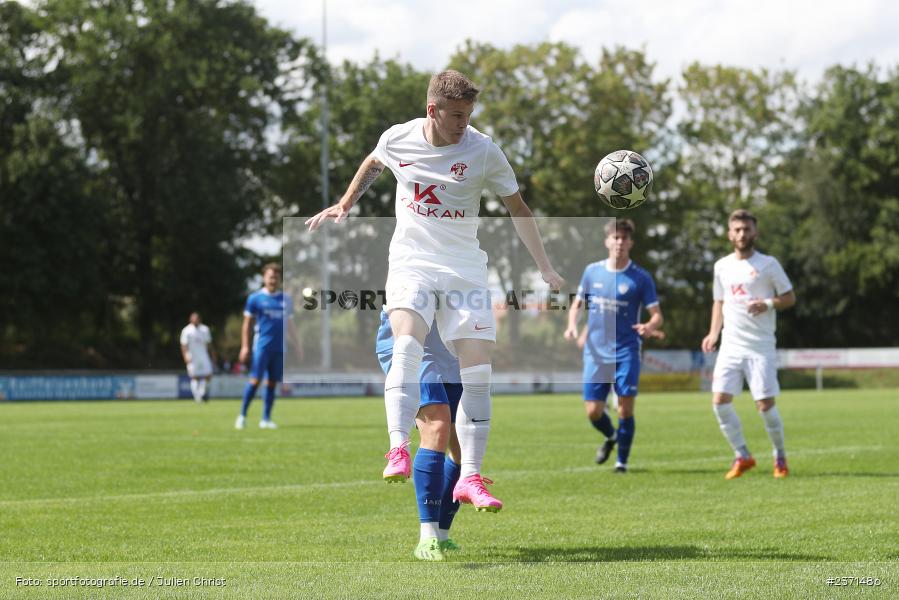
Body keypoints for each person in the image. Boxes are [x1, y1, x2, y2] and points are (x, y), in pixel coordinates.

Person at [306, 70, 564, 513]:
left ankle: (471, 477)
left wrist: (545, 266)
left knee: (478, 375)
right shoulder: (399, 138)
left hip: (464, 268)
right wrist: (345, 203)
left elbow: (518, 208)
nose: (465, 123)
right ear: (433, 110)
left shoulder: (484, 150)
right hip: (413, 263)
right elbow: (374, 162)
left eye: (469, 115)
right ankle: (397, 447)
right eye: (457, 115)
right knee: (407, 344)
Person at [701, 209, 796, 479]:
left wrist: (767, 304)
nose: (742, 234)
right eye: (737, 230)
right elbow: (719, 301)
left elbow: (789, 297)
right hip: (730, 346)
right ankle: (742, 455)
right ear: (729, 234)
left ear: (756, 233)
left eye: (747, 229)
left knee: (765, 405)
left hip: (760, 347)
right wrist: (713, 333)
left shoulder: (768, 264)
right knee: (719, 402)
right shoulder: (721, 266)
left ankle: (780, 456)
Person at [563, 219, 663, 473]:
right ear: (607, 241)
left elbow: (657, 315)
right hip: (595, 352)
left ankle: (622, 463)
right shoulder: (592, 271)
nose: (619, 242)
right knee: (593, 411)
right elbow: (577, 304)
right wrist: (572, 325)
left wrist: (649, 326)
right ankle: (612, 436)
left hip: (627, 350)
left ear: (631, 242)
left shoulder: (641, 277)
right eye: (615, 238)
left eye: (624, 238)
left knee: (625, 409)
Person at [376, 310, 463, 561]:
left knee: (462, 448)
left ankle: (442, 533)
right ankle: (428, 535)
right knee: (437, 425)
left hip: (453, 341)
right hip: (413, 335)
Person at [235, 263, 302, 430]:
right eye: (271, 277)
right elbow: (247, 324)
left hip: (279, 348)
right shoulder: (255, 298)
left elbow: (290, 325)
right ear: (264, 278)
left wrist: (297, 345)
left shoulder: (286, 299)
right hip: (262, 347)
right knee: (255, 380)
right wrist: (245, 346)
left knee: (272, 383)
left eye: (276, 277)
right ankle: (242, 416)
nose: (274, 280)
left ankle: (265, 419)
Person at [180, 312, 216, 403]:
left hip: (204, 356)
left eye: (197, 318)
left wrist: (213, 355)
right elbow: (184, 345)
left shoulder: (205, 329)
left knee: (208, 375)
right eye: (194, 318)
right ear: (190, 319)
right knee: (194, 377)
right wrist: (185, 356)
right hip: (192, 357)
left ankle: (202, 393)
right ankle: (197, 397)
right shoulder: (186, 330)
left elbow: (209, 344)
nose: (196, 320)